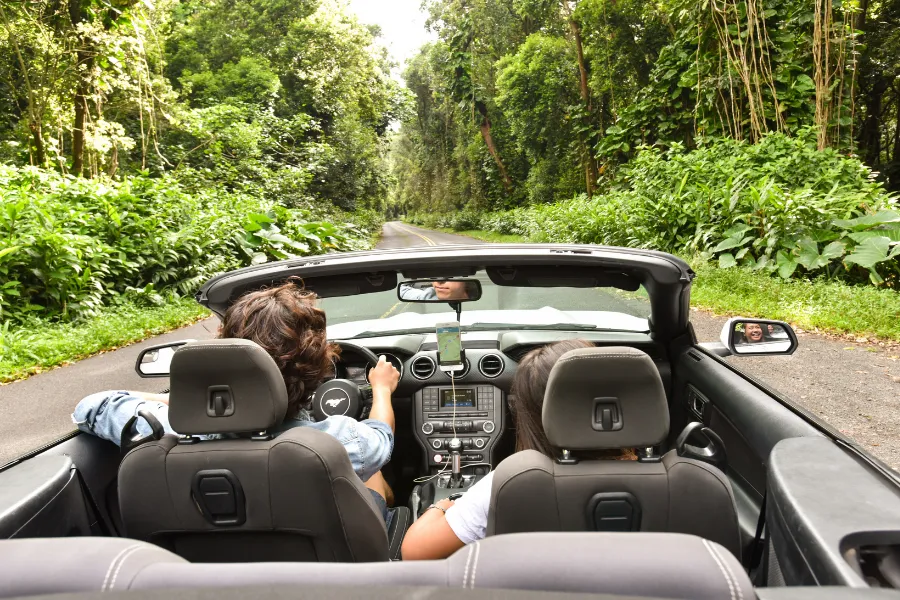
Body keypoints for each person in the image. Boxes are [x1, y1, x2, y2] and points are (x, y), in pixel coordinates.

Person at [72, 279, 400, 516]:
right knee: (371, 474)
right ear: (319, 368)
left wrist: (187, 402)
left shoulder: (158, 433)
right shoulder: (339, 441)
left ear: (224, 356)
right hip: (325, 573)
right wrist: (382, 389)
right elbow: (382, 437)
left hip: (213, 579)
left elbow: (92, 406)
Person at [400, 339, 636, 560]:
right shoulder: (668, 477)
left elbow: (414, 551)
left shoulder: (509, 482)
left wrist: (442, 505)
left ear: (530, 414)